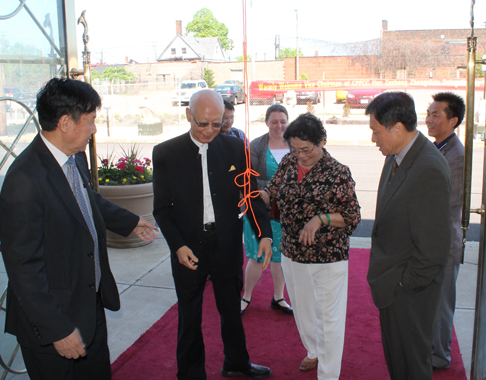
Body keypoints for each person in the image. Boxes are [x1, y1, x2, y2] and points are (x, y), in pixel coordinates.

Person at [0, 77, 158, 380]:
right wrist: (57, 329)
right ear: (65, 123)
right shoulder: (25, 180)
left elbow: (86, 200)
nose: (95, 129)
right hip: (54, 323)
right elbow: (24, 270)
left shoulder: (75, 158)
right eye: (91, 120)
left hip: (88, 306)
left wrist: (130, 221)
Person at [152, 89, 273, 380]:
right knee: (190, 316)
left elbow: (251, 194)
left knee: (231, 310)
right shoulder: (166, 152)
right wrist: (177, 245)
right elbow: (162, 210)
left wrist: (264, 234)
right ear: (188, 116)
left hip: (226, 244)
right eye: (202, 123)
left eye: (217, 124)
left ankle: (236, 363)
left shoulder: (234, 148)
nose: (209, 131)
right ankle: (191, 374)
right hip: (188, 249)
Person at [261, 113, 361, 378]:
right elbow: (271, 190)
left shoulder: (338, 172)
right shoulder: (289, 162)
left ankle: (328, 374)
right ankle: (313, 351)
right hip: (292, 253)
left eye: (306, 150)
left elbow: (352, 217)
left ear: (322, 142)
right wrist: (252, 195)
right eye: (295, 149)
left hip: (328, 257)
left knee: (329, 321)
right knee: (303, 312)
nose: (300, 156)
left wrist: (322, 218)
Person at [365, 92, 452, 380]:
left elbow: (434, 251)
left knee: (411, 366)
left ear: (398, 128)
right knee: (398, 363)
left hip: (408, 293)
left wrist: (402, 285)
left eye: (377, 132)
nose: (374, 140)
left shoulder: (427, 169)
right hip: (392, 283)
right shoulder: (397, 155)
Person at [426, 92, 465, 371]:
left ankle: (439, 355)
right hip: (430, 241)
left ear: (453, 120)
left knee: (441, 305)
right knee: (431, 302)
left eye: (435, 115)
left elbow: (444, 201)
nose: (429, 120)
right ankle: (431, 349)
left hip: (444, 243)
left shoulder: (456, 155)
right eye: (428, 114)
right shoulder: (438, 148)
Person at [241, 104, 293, 315]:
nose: (279, 126)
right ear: (266, 123)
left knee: (280, 256)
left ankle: (279, 297)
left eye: (283, 121)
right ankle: (246, 297)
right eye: (274, 121)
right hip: (260, 210)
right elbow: (248, 181)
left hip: (286, 212)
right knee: (256, 256)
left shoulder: (295, 143)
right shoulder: (256, 146)